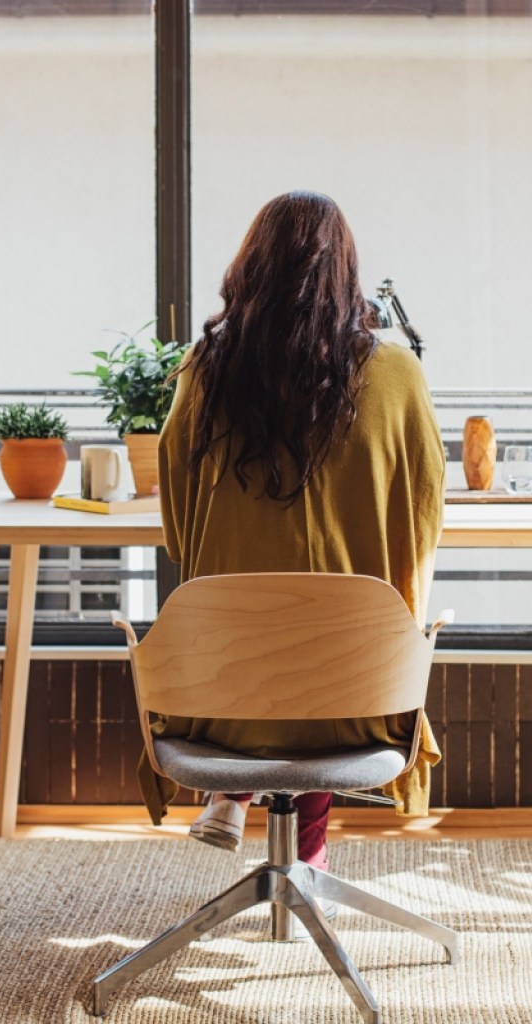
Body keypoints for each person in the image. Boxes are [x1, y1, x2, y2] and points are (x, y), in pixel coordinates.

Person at [139, 189, 446, 872]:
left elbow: (179, 534)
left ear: (249, 269)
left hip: (219, 700)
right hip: (362, 700)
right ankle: (307, 861)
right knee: (335, 628)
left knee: (269, 635)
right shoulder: (396, 375)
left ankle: (237, 794)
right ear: (347, 275)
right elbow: (423, 520)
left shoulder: (203, 372)